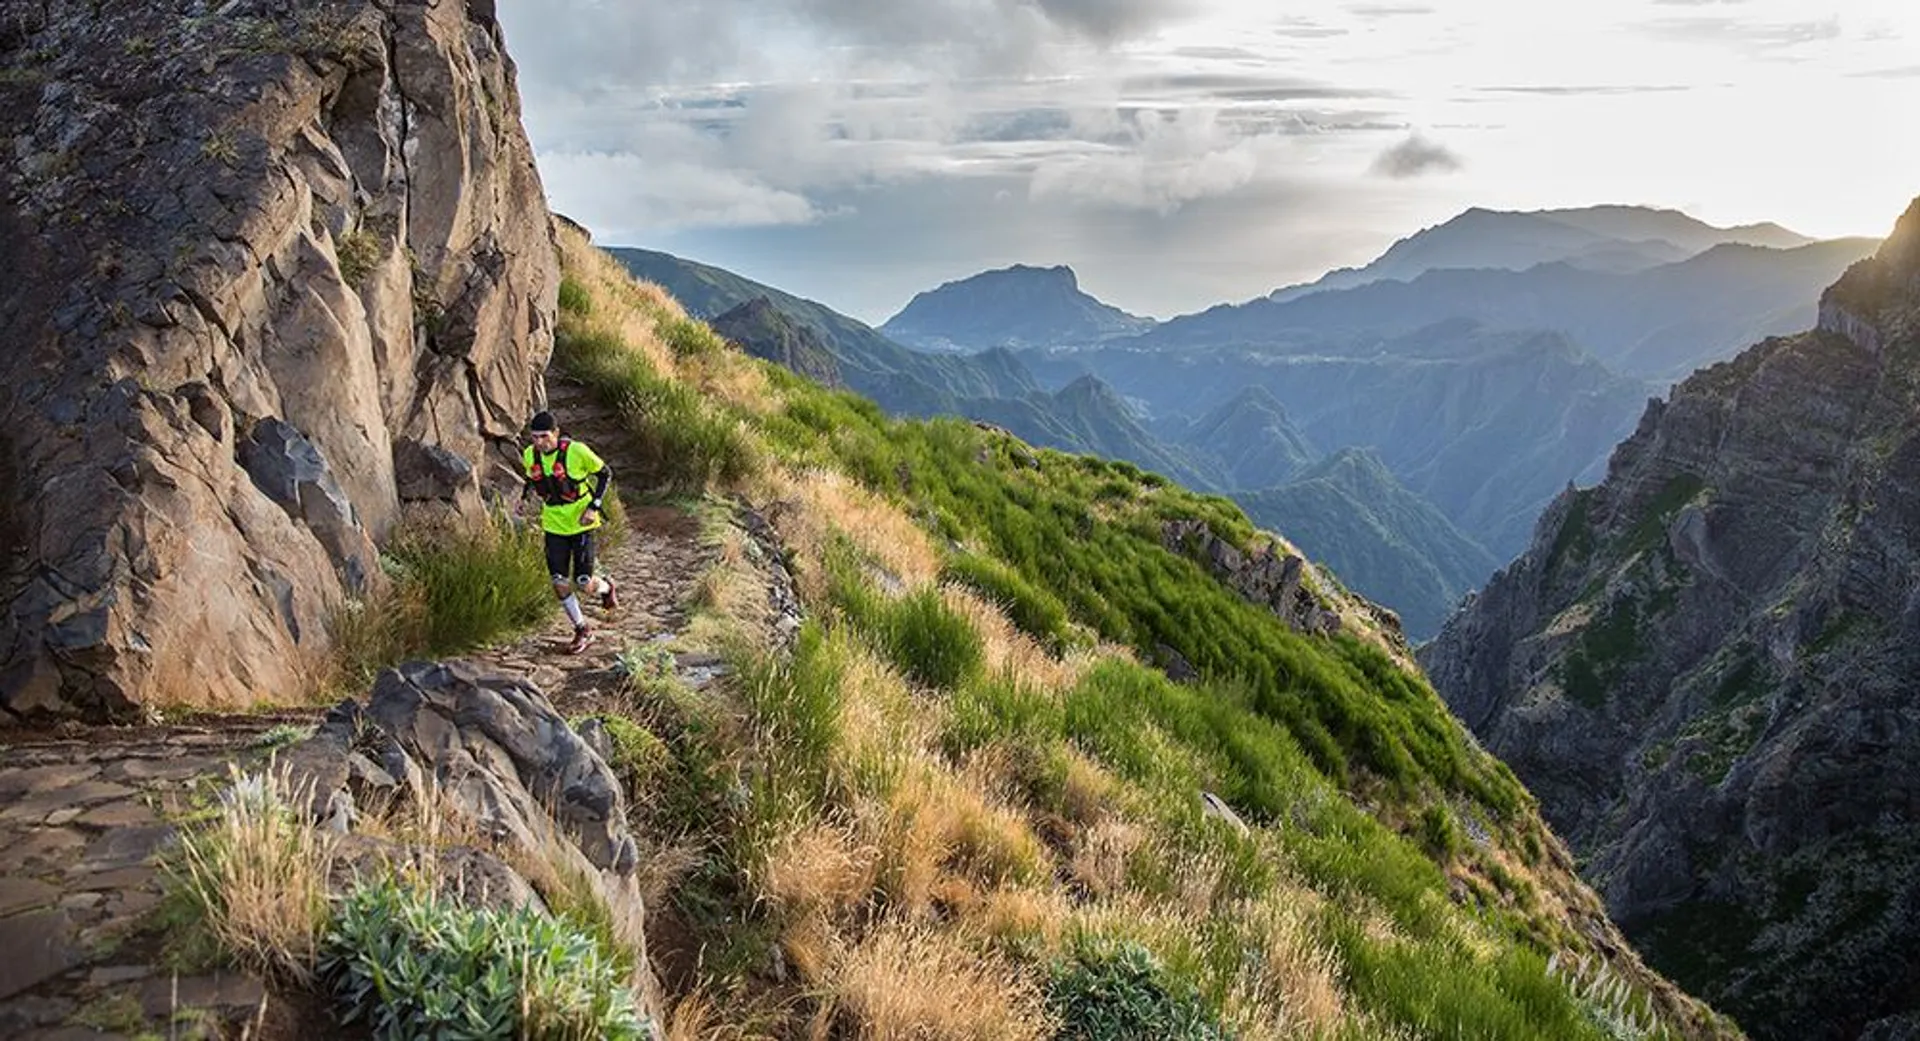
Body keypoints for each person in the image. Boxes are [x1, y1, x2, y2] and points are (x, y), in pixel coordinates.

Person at [520, 410, 618, 653]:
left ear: (556, 433)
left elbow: (605, 474)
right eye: (534, 437)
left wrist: (594, 507)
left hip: (582, 525)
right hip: (553, 525)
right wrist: (524, 503)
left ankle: (606, 586)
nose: (539, 442)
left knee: (584, 582)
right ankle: (582, 629)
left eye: (544, 436)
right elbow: (534, 481)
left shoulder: (577, 451)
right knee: (558, 582)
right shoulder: (529, 455)